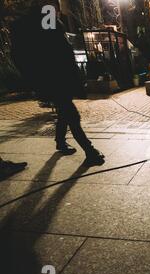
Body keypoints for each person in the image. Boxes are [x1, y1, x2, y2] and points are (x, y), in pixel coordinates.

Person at [10, 0, 105, 167]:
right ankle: (90, 152)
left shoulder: (31, 20)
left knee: (64, 110)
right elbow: (56, 47)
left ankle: (60, 142)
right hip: (56, 78)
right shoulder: (45, 16)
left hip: (52, 78)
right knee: (72, 114)